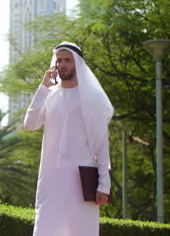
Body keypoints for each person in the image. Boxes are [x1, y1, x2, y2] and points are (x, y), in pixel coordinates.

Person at [24, 42, 113, 236]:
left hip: (82, 184)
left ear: (78, 64)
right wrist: (43, 87)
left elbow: (101, 146)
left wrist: (104, 185)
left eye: (67, 60)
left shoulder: (92, 99)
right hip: (51, 182)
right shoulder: (49, 95)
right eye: (59, 60)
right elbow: (30, 125)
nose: (62, 64)